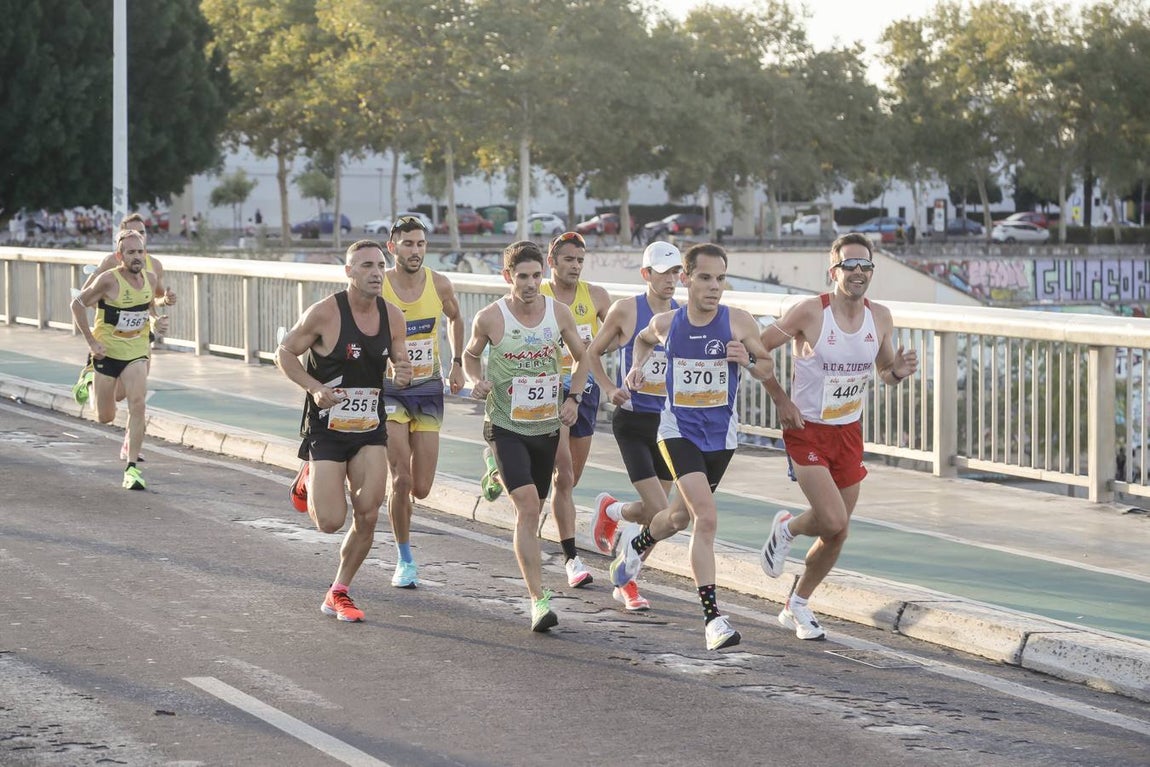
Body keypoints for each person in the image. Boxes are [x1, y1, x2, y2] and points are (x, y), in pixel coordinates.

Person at [607, 243, 775, 650]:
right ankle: (712, 618)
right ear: (686, 280)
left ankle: (638, 543)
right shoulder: (668, 323)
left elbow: (767, 365)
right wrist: (635, 367)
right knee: (706, 516)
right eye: (704, 278)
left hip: (721, 437)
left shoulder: (739, 323)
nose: (714, 287)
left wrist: (748, 362)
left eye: (720, 279)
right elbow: (643, 341)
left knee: (678, 518)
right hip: (677, 431)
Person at [757, 233, 918, 640]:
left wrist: (897, 371)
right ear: (834, 270)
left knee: (839, 530)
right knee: (831, 517)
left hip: (848, 430)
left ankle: (798, 602)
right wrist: (780, 399)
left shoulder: (880, 316)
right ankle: (787, 530)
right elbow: (758, 350)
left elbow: (883, 373)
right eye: (850, 265)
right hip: (805, 430)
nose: (859, 272)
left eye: (866, 266)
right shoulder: (809, 312)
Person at [276, 240, 411, 622]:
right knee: (330, 522)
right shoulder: (325, 314)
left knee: (368, 513)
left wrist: (401, 370)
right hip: (327, 427)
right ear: (349, 272)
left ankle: (340, 590)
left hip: (369, 426)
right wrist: (314, 387)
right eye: (366, 265)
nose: (375, 272)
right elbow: (284, 353)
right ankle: (308, 476)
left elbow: (398, 360)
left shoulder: (393, 317)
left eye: (380, 265)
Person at [463, 240, 585, 632]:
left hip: (546, 426)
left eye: (536, 275)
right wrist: (474, 379)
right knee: (529, 508)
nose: (531, 283)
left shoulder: (559, 313)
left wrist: (575, 398)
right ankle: (538, 599)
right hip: (505, 424)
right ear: (507, 277)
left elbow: (584, 357)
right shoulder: (490, 317)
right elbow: (470, 354)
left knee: (536, 501)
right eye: (522, 277)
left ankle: (494, 473)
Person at [568, 241, 682, 612]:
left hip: (668, 425)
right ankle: (619, 536)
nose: (671, 280)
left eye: (676, 272)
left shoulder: (682, 314)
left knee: (656, 517)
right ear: (646, 274)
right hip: (632, 420)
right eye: (663, 273)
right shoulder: (626, 310)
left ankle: (617, 533)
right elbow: (592, 352)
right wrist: (608, 387)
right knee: (662, 511)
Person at [380, 215, 465, 588]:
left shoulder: (440, 283)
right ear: (392, 247)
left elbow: (456, 318)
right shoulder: (378, 285)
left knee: (422, 487)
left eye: (420, 244)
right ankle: (405, 558)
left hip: (428, 388)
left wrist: (458, 362)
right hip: (389, 390)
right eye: (408, 243)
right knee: (400, 480)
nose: (415, 251)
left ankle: (402, 513)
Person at [72, 214, 177, 461]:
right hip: (108, 342)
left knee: (136, 399)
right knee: (107, 412)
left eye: (142, 233)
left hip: (140, 341)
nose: (137, 250)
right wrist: (96, 334)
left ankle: (131, 454)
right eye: (131, 233)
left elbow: (153, 301)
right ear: (120, 246)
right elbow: (83, 299)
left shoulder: (154, 268)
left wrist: (163, 306)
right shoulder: (109, 264)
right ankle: (90, 379)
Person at [540, 231, 611, 589]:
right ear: (551, 261)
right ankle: (571, 559)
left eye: (580, 260)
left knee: (569, 478)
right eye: (568, 259)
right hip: (547, 390)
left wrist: (598, 347)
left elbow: (617, 333)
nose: (575, 266)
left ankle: (500, 467)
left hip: (585, 390)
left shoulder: (596, 296)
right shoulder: (539, 296)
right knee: (563, 475)